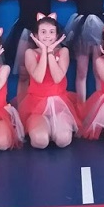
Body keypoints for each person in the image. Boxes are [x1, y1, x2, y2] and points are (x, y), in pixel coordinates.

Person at [0, 0, 67, 99]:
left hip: (46, 32)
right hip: (25, 30)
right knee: (23, 73)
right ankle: (22, 107)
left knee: (49, 67)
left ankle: (44, 100)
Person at [18, 13, 81, 149]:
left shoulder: (63, 51)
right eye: (43, 32)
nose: (47, 36)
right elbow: (39, 77)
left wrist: (50, 52)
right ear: (36, 35)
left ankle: (54, 129)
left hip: (59, 103)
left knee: (63, 140)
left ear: (57, 35)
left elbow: (57, 78)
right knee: (40, 141)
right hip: (36, 104)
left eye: (51, 32)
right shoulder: (30, 53)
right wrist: (43, 51)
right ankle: (44, 128)